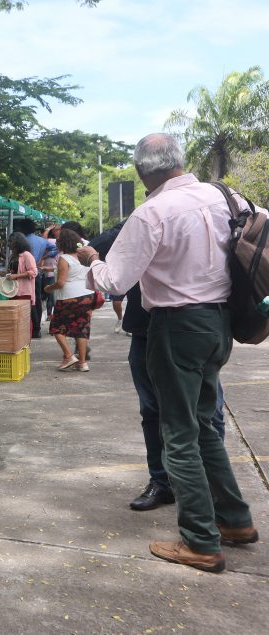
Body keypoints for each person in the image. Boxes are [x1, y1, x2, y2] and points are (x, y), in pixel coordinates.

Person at [80, 133, 258, 573]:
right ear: (179, 161)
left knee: (177, 434)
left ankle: (201, 540)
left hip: (176, 326)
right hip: (221, 324)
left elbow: (116, 281)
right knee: (202, 426)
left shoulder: (152, 212)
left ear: (143, 173)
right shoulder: (229, 197)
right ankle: (234, 519)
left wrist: (92, 265)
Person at [44, 228, 94, 372]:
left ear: (62, 244)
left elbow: (60, 283)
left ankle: (68, 355)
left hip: (68, 297)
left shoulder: (64, 258)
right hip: (86, 295)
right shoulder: (85, 258)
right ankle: (83, 363)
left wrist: (48, 288)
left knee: (56, 327)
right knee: (81, 329)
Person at [14, 218, 56, 339]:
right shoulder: (41, 241)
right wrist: (44, 256)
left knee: (25, 299)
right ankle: (36, 329)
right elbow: (55, 248)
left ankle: (30, 327)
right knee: (36, 299)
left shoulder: (22, 241)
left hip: (24, 273)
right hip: (37, 272)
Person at [0, 232, 37, 333]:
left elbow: (34, 272)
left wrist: (16, 276)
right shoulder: (12, 256)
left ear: (17, 242)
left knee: (25, 319)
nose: (8, 244)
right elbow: (8, 274)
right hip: (13, 292)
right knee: (17, 319)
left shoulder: (26, 255)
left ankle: (26, 342)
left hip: (24, 293)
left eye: (10, 241)